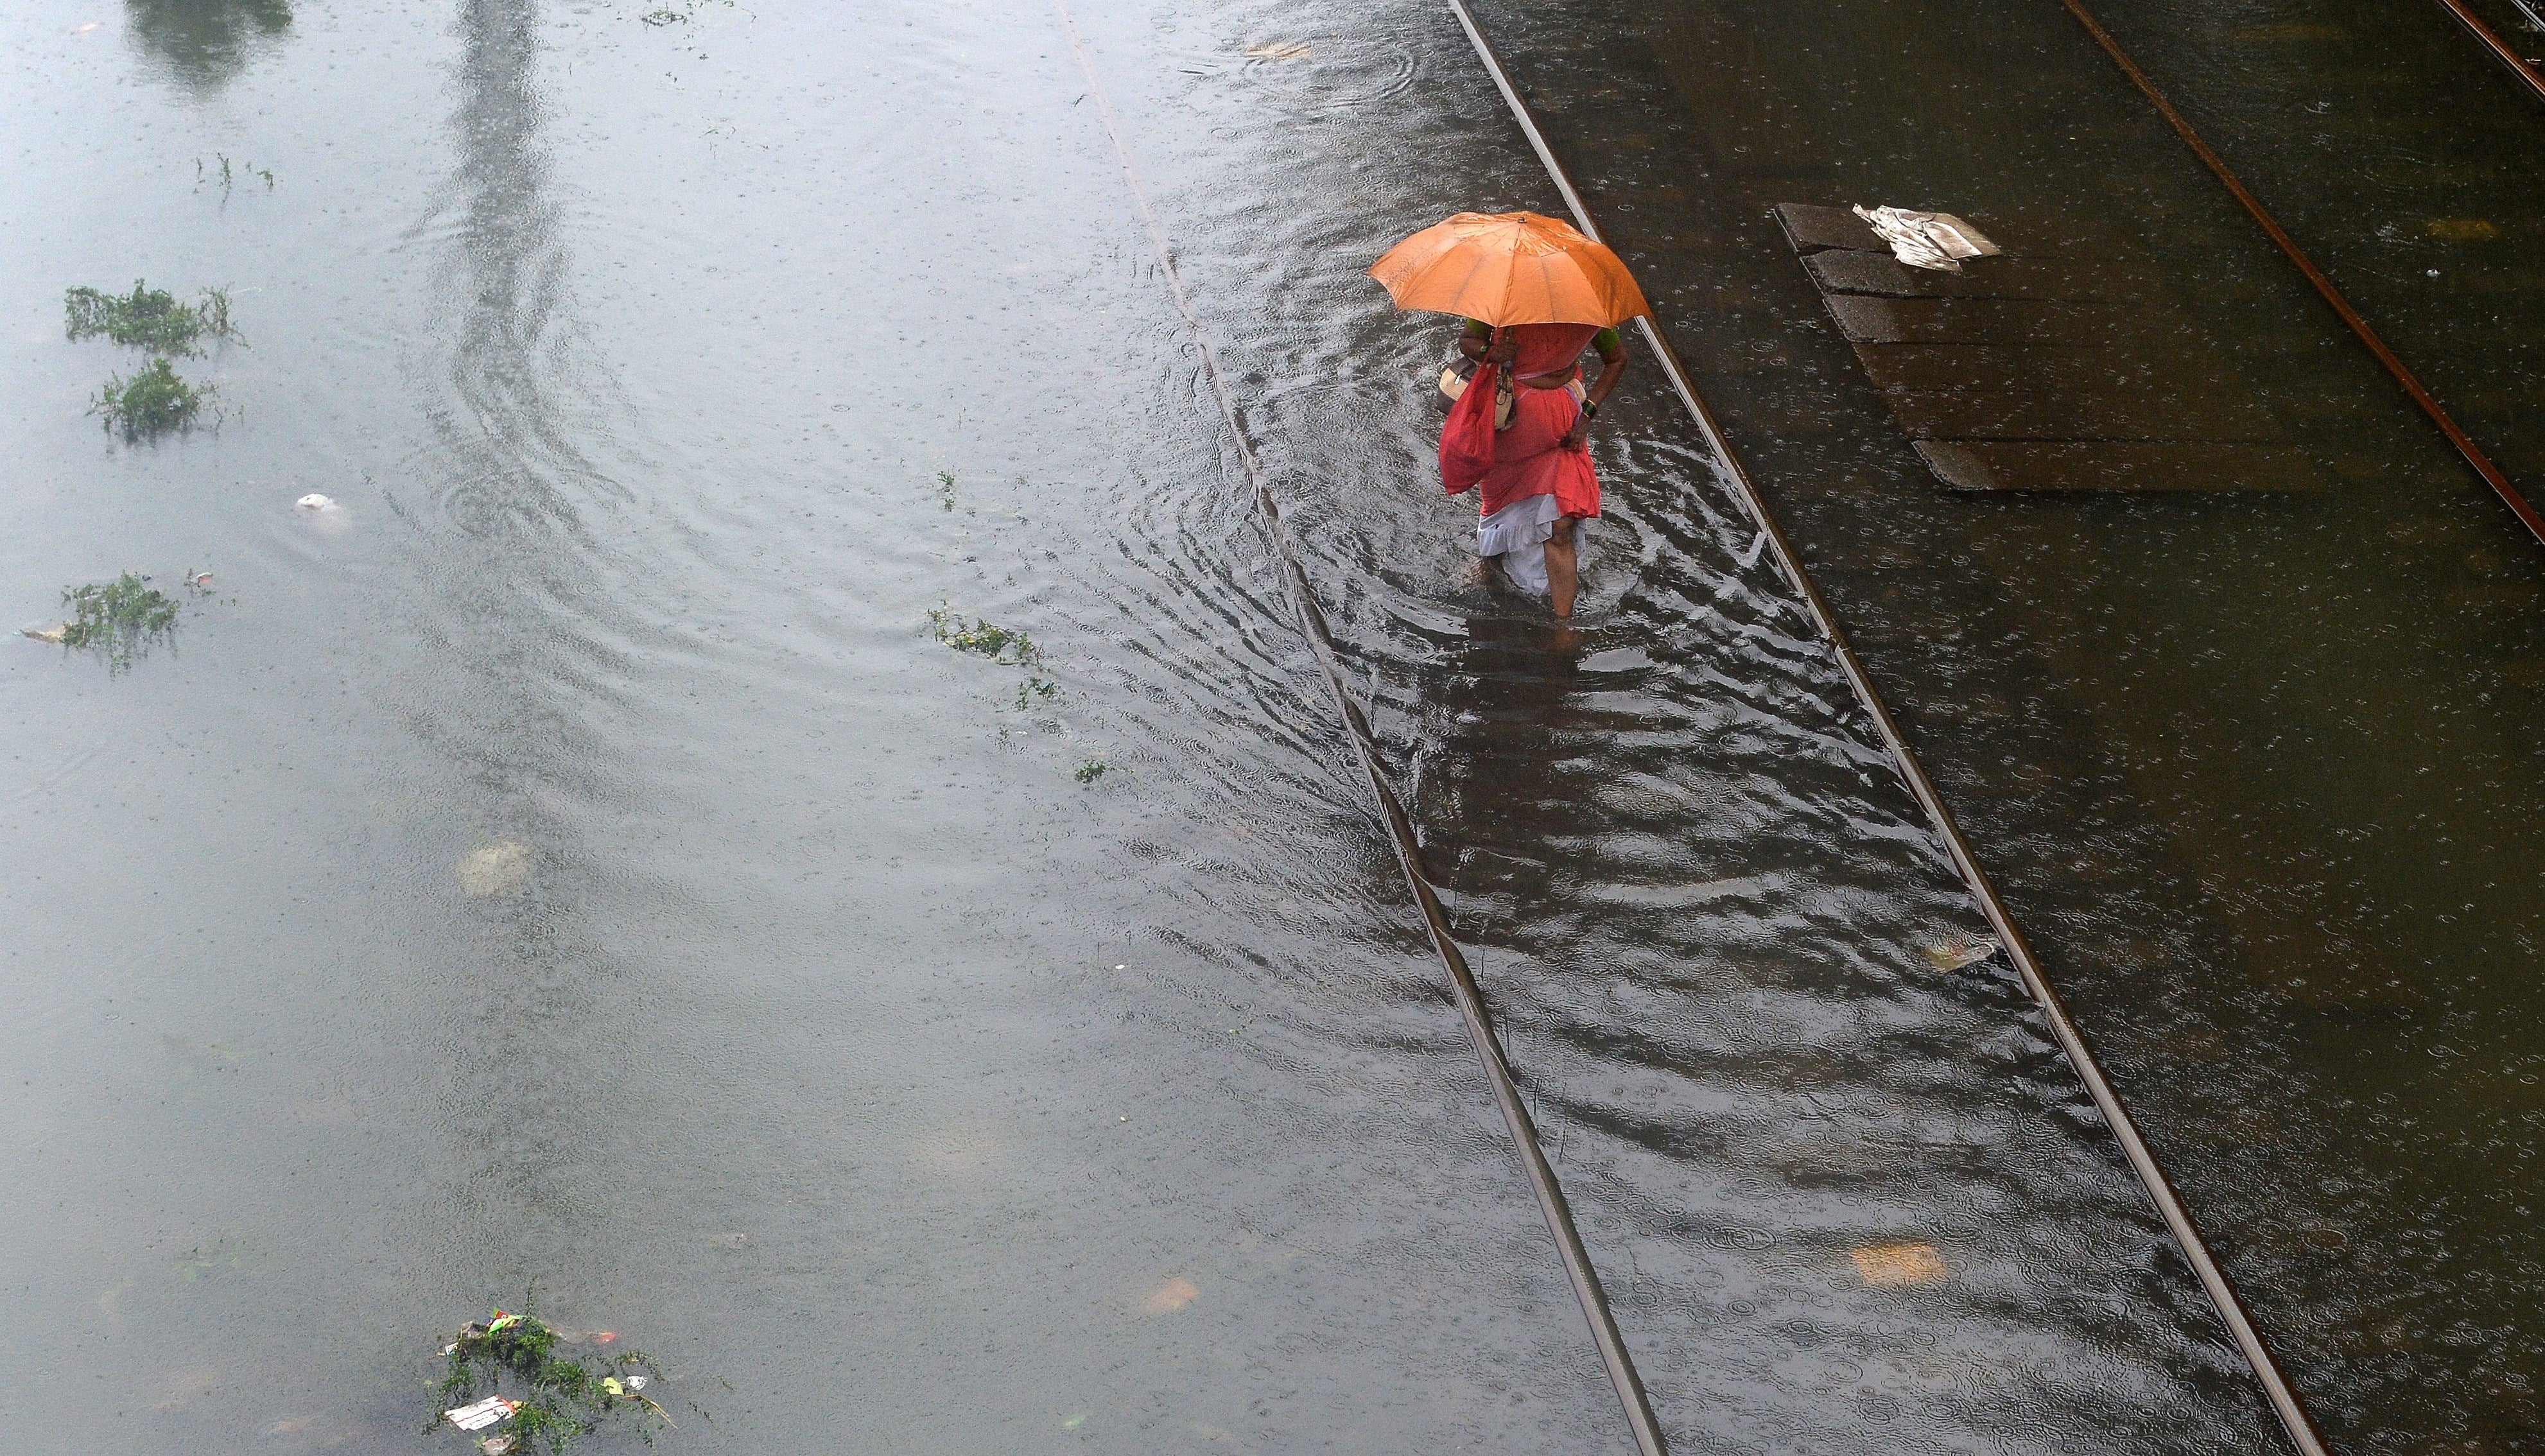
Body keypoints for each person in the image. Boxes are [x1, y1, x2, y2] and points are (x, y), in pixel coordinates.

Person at [1454, 318, 1628, 618]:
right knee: (1503, 506)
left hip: (1564, 427)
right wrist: (1491, 350)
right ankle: (1492, 563)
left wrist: (1587, 415)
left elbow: (1617, 359)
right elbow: (1468, 340)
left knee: (1561, 522)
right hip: (1507, 421)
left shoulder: (1585, 311)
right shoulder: (1504, 297)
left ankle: (1564, 621)